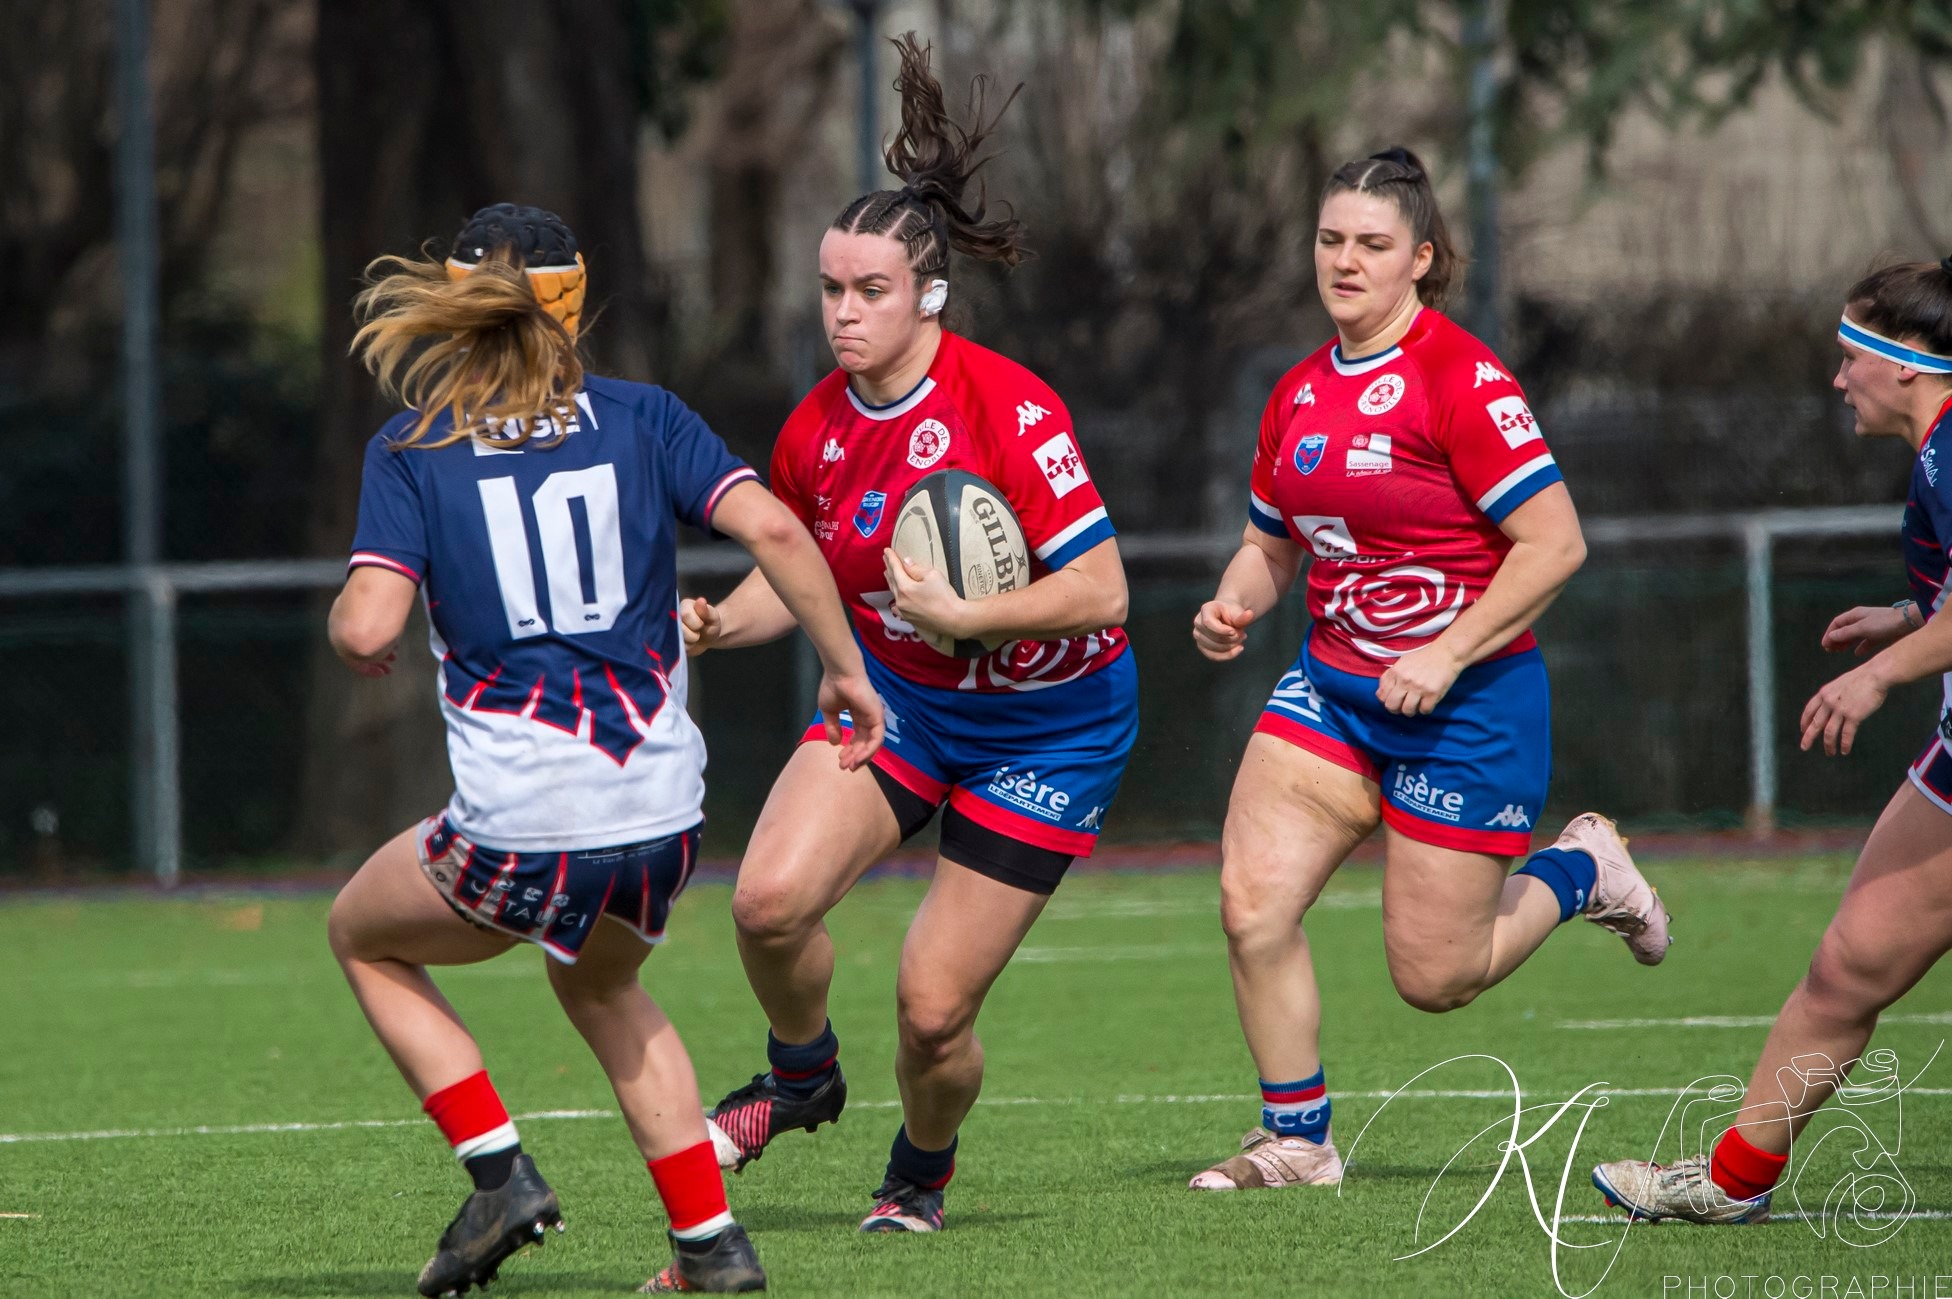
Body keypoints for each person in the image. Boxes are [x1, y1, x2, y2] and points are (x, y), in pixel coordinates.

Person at [324, 203, 883, 1295]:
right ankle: (711, 1247)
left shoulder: (415, 444)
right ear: (573, 306)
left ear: (457, 306)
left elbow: (366, 628)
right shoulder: (642, 416)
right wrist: (847, 669)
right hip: (661, 815)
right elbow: (774, 529)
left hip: (522, 819)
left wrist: (359, 623)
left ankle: (497, 1175)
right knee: (603, 990)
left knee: (362, 936)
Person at [681, 35, 1136, 1234]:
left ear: (928, 293)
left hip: (1053, 726)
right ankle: (801, 1076)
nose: (842, 312)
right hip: (904, 702)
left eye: (867, 291)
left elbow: (1101, 592)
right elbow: (805, 570)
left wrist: (966, 615)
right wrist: (719, 622)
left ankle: (919, 1171)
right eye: (829, 289)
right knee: (765, 904)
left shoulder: (1008, 405)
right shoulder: (816, 429)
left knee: (932, 1015)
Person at [1186, 148, 1673, 1192]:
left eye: (1370, 244)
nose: (1344, 262)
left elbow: (1555, 544)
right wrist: (1235, 599)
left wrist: (1446, 652)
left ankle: (1585, 868)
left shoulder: (1460, 376)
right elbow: (1271, 542)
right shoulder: (1298, 392)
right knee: (1249, 904)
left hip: (1468, 706)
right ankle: (1297, 1140)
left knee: (1435, 979)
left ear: (1420, 258)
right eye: (1328, 241)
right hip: (1333, 691)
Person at [1593, 258, 1952, 1223]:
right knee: (1847, 968)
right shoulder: (1936, 453)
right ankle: (1730, 1180)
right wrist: (1905, 616)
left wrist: (1880, 674)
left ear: (1909, 364)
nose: (1838, 379)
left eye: (1849, 357)